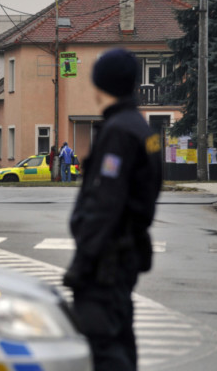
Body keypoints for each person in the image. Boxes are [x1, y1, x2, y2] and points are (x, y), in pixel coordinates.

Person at [63, 48, 162, 371]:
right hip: (127, 252)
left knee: (104, 347)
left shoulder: (118, 132)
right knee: (120, 338)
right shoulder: (144, 130)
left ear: (100, 84)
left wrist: (83, 261)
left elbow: (105, 202)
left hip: (106, 259)